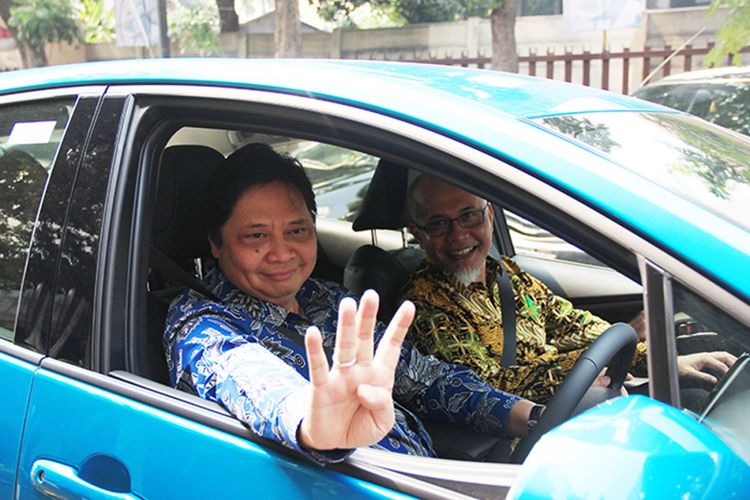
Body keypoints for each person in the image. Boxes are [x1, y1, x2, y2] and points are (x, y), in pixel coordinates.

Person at [163, 144, 537, 464]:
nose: (281, 253)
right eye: (256, 235)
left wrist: (527, 415)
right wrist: (312, 424)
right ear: (216, 242)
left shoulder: (325, 299)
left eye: (296, 231)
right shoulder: (201, 323)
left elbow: (422, 378)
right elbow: (250, 381)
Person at [401, 174, 737, 405]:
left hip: (574, 401)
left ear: (489, 215)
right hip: (526, 436)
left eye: (469, 216)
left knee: (699, 388)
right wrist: (590, 369)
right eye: (439, 224)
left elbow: (574, 325)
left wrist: (661, 362)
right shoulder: (423, 305)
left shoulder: (509, 276)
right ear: (418, 234)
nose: (458, 235)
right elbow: (486, 390)